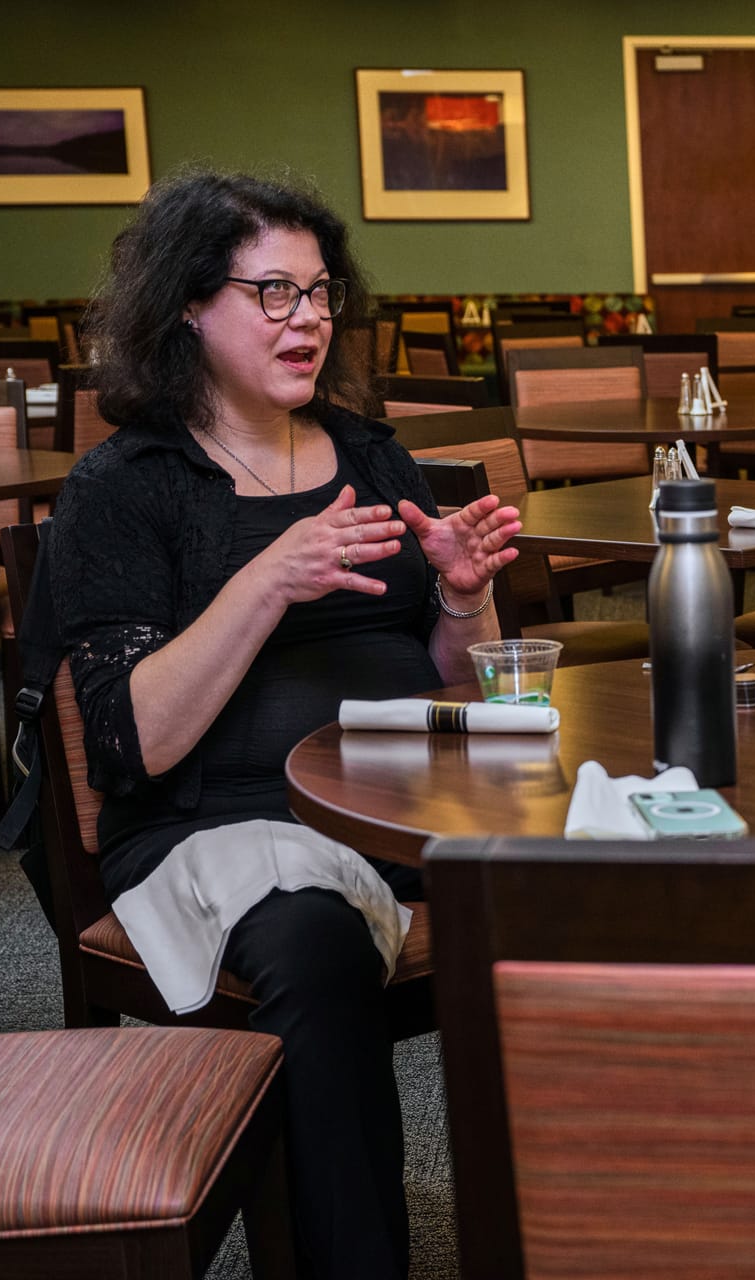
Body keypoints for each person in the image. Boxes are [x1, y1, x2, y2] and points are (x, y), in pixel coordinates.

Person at [45, 170, 521, 1279]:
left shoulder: (368, 454)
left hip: (410, 812)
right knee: (313, 940)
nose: (307, 317)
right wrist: (267, 580)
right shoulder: (126, 486)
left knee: (607, 883)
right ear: (186, 308)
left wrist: (460, 595)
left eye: (319, 291)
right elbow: (129, 742)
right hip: (218, 831)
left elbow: (459, 685)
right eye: (271, 291)